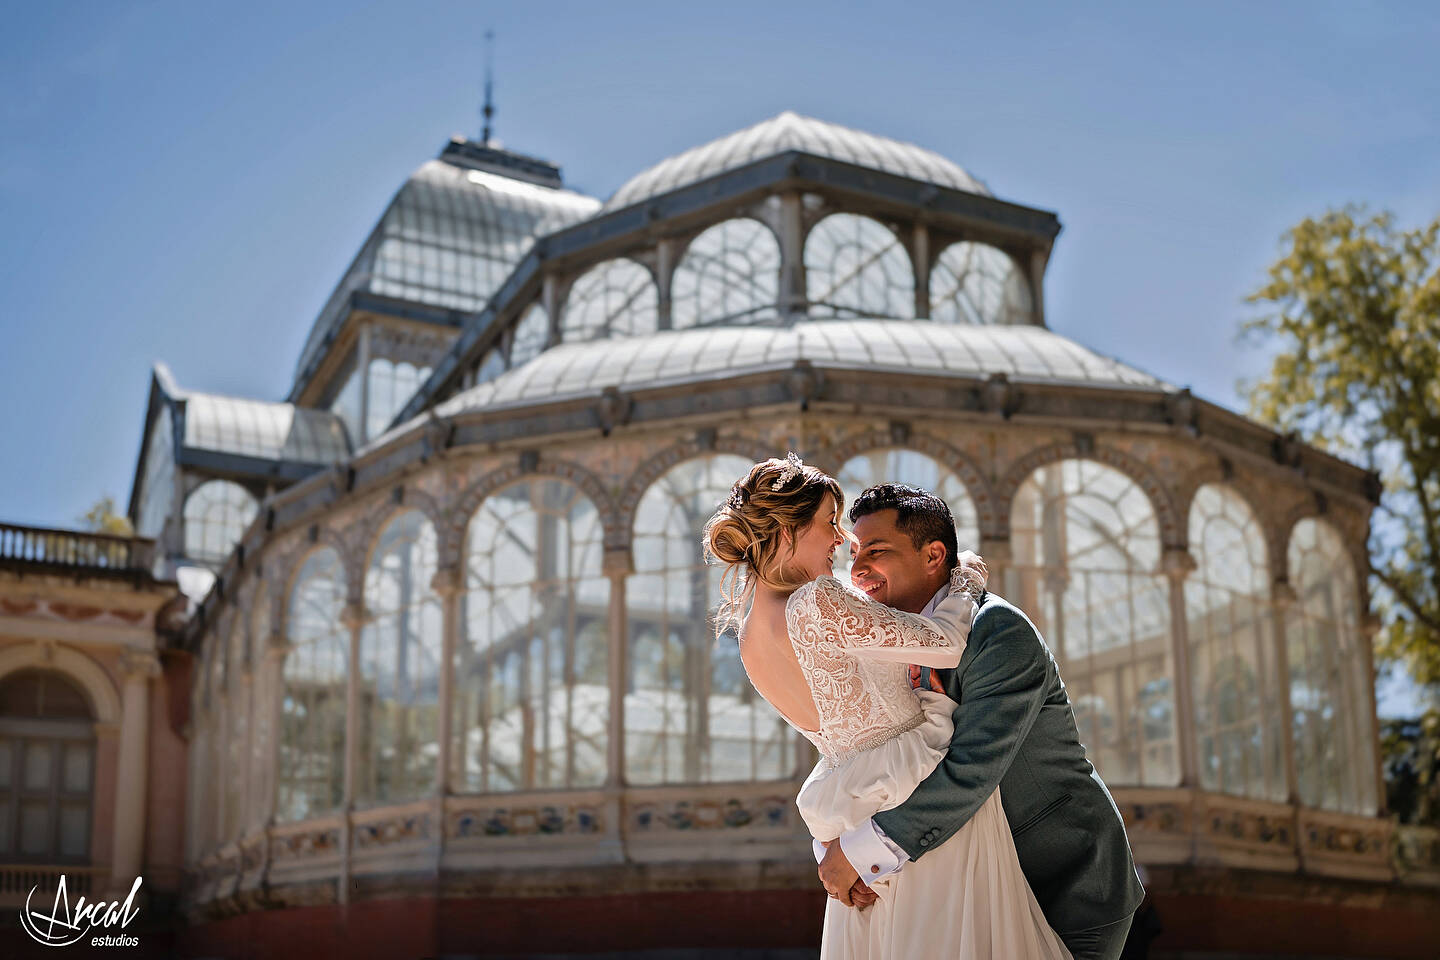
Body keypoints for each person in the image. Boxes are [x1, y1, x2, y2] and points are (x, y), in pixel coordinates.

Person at [703, 454, 1078, 959]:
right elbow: (945, 645)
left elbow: (839, 728)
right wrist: (963, 580)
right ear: (788, 530)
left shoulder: (749, 633)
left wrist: (844, 852)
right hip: (917, 789)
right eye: (829, 524)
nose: (839, 541)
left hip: (851, 815)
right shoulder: (817, 602)